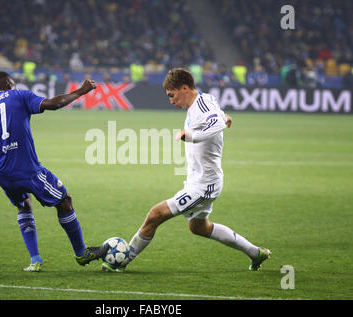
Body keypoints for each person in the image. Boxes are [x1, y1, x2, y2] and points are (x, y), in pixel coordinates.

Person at [102, 68, 271, 272]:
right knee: (199, 227)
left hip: (205, 184)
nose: (171, 101)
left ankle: (122, 261)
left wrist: (191, 135)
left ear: (184, 88)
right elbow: (218, 117)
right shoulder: (204, 101)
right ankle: (255, 253)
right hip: (197, 180)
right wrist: (225, 117)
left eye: (172, 95)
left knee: (156, 214)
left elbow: (216, 122)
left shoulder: (201, 105)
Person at [0, 71, 108, 272]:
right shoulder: (19, 95)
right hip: (27, 170)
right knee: (65, 201)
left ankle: (35, 260)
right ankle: (81, 253)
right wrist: (81, 91)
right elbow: (53, 104)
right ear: (11, 86)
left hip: (2, 174)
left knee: (24, 205)